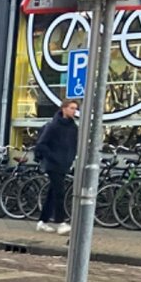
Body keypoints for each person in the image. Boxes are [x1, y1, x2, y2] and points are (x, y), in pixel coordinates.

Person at [34, 98, 79, 234]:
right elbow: (41, 144)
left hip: (64, 164)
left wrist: (71, 158)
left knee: (53, 193)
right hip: (53, 165)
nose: (73, 111)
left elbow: (74, 145)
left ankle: (42, 221)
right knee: (60, 192)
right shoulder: (53, 126)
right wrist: (54, 157)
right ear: (63, 108)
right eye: (71, 108)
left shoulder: (73, 127)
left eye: (75, 108)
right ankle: (60, 222)